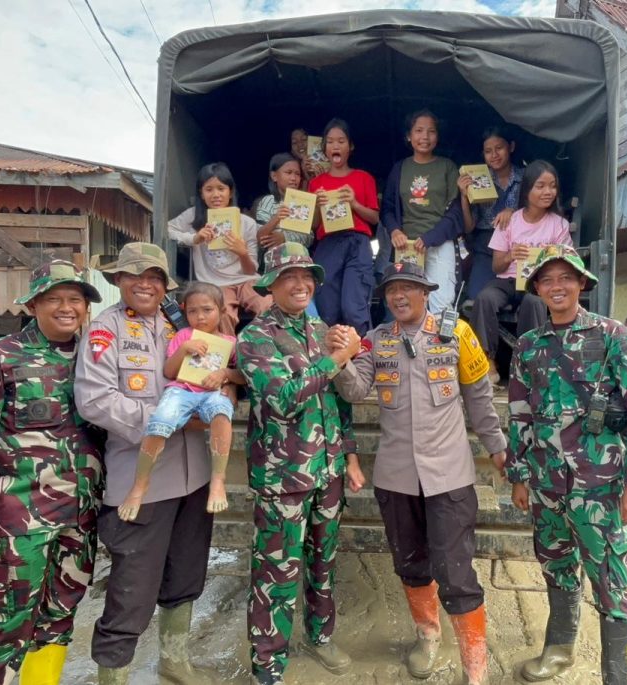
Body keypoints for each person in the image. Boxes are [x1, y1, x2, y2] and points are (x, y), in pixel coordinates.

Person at [334, 261, 506, 685]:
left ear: (425, 292)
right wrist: (338, 358)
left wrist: (498, 449)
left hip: (449, 476)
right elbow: (355, 390)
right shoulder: (375, 341)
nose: (399, 296)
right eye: (392, 290)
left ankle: (475, 665)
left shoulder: (458, 333)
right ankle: (428, 637)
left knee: (455, 572)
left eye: (408, 288)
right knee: (410, 563)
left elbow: (479, 399)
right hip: (396, 478)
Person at [0, 259, 104, 685]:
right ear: (33, 305)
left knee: (60, 615)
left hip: (80, 516)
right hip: (19, 519)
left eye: (75, 299)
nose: (66, 308)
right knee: (6, 622)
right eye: (54, 299)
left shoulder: (97, 357)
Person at [507, 245, 627, 685]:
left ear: (581, 284)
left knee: (611, 578)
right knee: (555, 565)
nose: (556, 287)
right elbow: (519, 415)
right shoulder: (528, 346)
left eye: (565, 278)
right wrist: (519, 477)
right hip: (546, 483)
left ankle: (616, 676)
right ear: (537, 288)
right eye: (547, 280)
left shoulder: (614, 337)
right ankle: (558, 651)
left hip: (600, 486)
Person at [75, 242, 217, 685]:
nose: (145, 285)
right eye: (135, 276)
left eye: (154, 277)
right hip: (142, 483)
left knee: (185, 576)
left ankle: (175, 662)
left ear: (164, 284)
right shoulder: (106, 329)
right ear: (118, 280)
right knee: (131, 591)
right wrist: (168, 420)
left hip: (194, 476)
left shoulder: (180, 323)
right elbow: (95, 401)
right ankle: (113, 676)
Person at [236, 242, 361, 685]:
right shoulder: (255, 338)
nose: (301, 284)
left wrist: (349, 455)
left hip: (328, 471)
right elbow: (283, 399)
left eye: (307, 276)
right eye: (290, 276)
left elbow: (340, 403)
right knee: (276, 573)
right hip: (283, 477)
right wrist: (336, 358)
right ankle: (268, 665)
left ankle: (320, 636)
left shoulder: (320, 328)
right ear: (271, 285)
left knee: (323, 564)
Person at [118, 283, 244, 521]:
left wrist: (226, 375)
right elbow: (169, 371)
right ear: (185, 312)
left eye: (207, 310)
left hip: (212, 392)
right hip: (182, 390)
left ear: (221, 311)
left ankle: (218, 479)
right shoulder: (184, 336)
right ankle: (140, 484)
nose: (200, 317)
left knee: (221, 413)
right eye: (193, 311)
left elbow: (243, 375)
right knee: (159, 422)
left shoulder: (230, 343)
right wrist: (184, 349)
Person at [468, 160, 572, 384]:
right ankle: (487, 361)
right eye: (540, 186)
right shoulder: (510, 221)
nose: (548, 192)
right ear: (527, 190)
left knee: (534, 302)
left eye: (552, 186)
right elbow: (496, 266)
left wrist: (548, 257)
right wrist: (510, 255)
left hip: (539, 283)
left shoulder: (559, 225)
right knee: (485, 298)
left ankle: (528, 363)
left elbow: (566, 263)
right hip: (508, 280)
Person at [167, 161, 271, 333]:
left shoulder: (246, 223)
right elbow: (167, 229)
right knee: (222, 315)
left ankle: (262, 345)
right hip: (215, 284)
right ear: (201, 194)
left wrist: (242, 253)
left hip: (246, 280)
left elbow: (250, 270)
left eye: (221, 189)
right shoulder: (193, 216)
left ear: (230, 192)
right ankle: (226, 350)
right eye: (209, 189)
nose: (216, 194)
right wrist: (194, 238)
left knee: (267, 304)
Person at [381, 109, 465, 314]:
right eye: (418, 131)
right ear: (409, 136)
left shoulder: (447, 167)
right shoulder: (399, 168)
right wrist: (394, 231)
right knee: (405, 306)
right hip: (406, 247)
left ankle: (438, 338)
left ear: (437, 136)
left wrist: (430, 238)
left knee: (440, 306)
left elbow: (456, 212)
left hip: (439, 244)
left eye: (431, 131)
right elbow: (387, 208)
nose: (425, 137)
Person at [308, 118, 379, 337]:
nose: (335, 146)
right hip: (328, 244)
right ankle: (330, 354)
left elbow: (374, 218)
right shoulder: (316, 183)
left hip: (357, 243)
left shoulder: (363, 178)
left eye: (341, 141)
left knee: (354, 307)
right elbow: (314, 226)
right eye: (330, 142)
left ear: (351, 146)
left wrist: (354, 203)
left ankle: (362, 353)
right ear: (324, 149)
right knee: (327, 307)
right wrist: (317, 206)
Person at [458, 126, 524, 299]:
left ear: (511, 147)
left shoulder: (526, 178)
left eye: (499, 148)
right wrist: (464, 196)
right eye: (488, 151)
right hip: (486, 246)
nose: (494, 155)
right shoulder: (478, 180)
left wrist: (513, 212)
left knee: (522, 294)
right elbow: (469, 227)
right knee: (476, 297)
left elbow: (537, 211)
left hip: (519, 246)